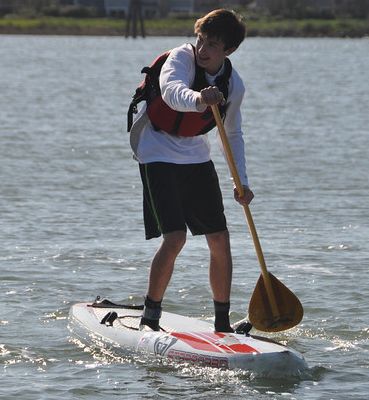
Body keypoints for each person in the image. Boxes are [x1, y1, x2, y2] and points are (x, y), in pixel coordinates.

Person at [128, 9, 254, 332]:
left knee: (220, 238)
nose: (202, 49)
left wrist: (241, 182)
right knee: (175, 237)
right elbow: (171, 92)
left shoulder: (233, 85)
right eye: (201, 39)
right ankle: (150, 316)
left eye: (212, 45)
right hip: (154, 148)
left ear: (227, 51)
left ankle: (222, 323)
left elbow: (234, 135)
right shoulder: (181, 58)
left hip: (194, 153)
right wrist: (199, 98)